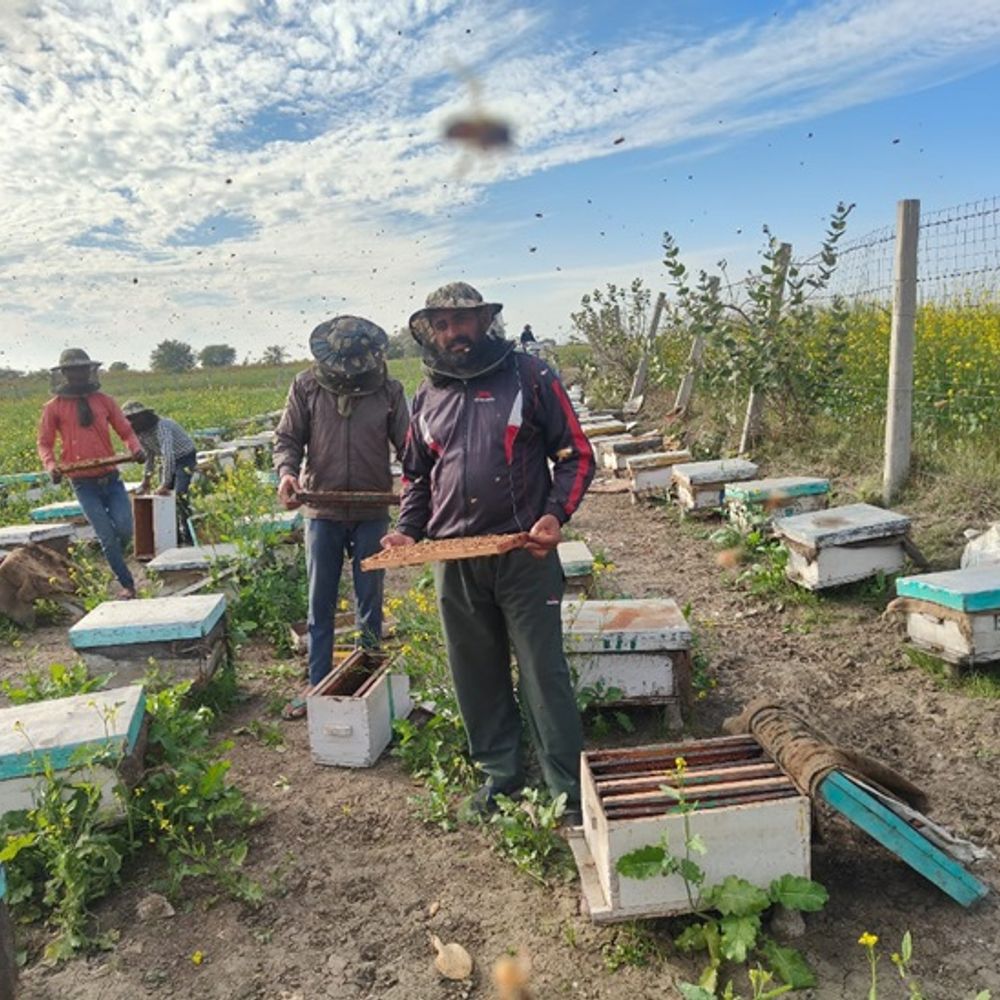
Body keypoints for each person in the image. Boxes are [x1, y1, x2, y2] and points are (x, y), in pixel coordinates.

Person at [382, 283, 595, 824]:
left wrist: (555, 516)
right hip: (455, 558)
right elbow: (416, 476)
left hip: (523, 552)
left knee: (543, 674)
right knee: (475, 673)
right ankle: (500, 779)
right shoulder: (426, 395)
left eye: (464, 320)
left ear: (485, 321)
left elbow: (576, 455)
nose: (455, 332)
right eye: (444, 324)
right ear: (431, 331)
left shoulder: (530, 375)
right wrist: (408, 530)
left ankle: (566, 793)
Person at [274, 315, 409, 719]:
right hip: (322, 511)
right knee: (321, 602)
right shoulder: (306, 386)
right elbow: (287, 438)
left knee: (370, 600)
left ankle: (366, 680)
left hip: (372, 511)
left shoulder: (389, 390)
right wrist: (287, 473)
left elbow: (409, 445)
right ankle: (319, 684)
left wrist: (419, 485)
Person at [37, 348, 145, 599]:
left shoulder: (104, 401)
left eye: (82, 369)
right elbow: (44, 443)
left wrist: (136, 449)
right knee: (106, 536)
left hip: (111, 479)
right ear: (64, 374)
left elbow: (126, 432)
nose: (78, 375)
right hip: (83, 483)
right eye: (73, 370)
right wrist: (51, 466)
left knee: (125, 529)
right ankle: (127, 584)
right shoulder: (53, 408)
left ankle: (116, 558)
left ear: (90, 371)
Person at [122, 401, 199, 546]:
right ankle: (174, 538)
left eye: (135, 417)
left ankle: (188, 537)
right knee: (164, 498)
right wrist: (146, 480)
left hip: (184, 457)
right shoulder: (141, 434)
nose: (133, 422)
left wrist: (164, 483)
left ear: (145, 416)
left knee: (180, 495)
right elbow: (149, 457)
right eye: (129, 419)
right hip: (168, 460)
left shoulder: (163, 426)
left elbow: (168, 455)